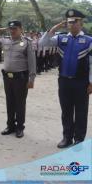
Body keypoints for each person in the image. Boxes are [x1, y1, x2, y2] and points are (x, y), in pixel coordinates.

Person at [39, 9, 92, 148]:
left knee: (81, 111)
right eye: (69, 22)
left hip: (81, 82)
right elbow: (42, 43)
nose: (71, 25)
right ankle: (66, 137)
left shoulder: (88, 40)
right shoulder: (61, 38)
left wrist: (91, 82)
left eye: (75, 22)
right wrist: (55, 28)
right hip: (64, 81)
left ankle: (79, 140)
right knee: (66, 111)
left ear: (81, 23)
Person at [0, 21, 36, 138]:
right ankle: (10, 126)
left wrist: (31, 79)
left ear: (21, 29)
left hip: (20, 78)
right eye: (10, 29)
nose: (12, 31)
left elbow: (32, 62)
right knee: (9, 102)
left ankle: (20, 127)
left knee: (20, 103)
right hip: (7, 77)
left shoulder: (27, 43)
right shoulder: (5, 41)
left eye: (15, 29)